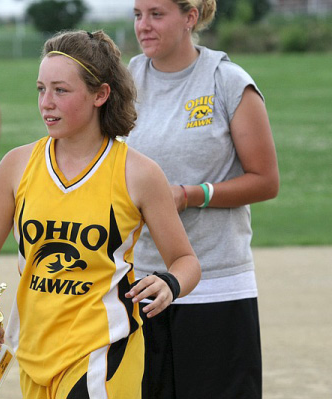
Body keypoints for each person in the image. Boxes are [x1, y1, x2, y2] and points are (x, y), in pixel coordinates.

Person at [0, 30, 201, 398]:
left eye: (61, 90)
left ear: (100, 95)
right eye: (41, 89)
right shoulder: (17, 164)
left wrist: (170, 283)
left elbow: (186, 260)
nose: (46, 103)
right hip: (34, 352)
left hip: (104, 351)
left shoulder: (137, 172)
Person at [126, 1, 280, 398]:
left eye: (156, 14)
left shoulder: (226, 80)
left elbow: (266, 180)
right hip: (143, 284)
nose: (143, 25)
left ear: (190, 18)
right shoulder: (128, 79)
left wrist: (193, 195)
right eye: (138, 14)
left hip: (217, 285)